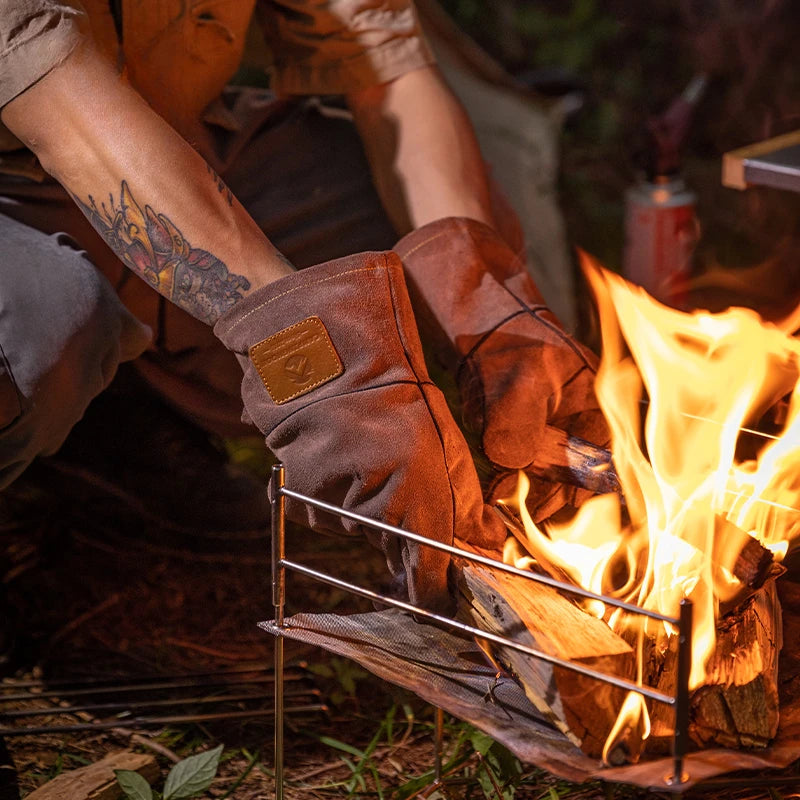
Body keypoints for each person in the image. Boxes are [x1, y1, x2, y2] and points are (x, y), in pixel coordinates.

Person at [0, 0, 606, 610]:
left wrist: (481, 306)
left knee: (400, 263)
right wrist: (317, 363)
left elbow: (385, 68)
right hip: (17, 194)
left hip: (188, 146)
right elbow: (65, 113)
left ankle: (130, 420)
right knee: (49, 323)